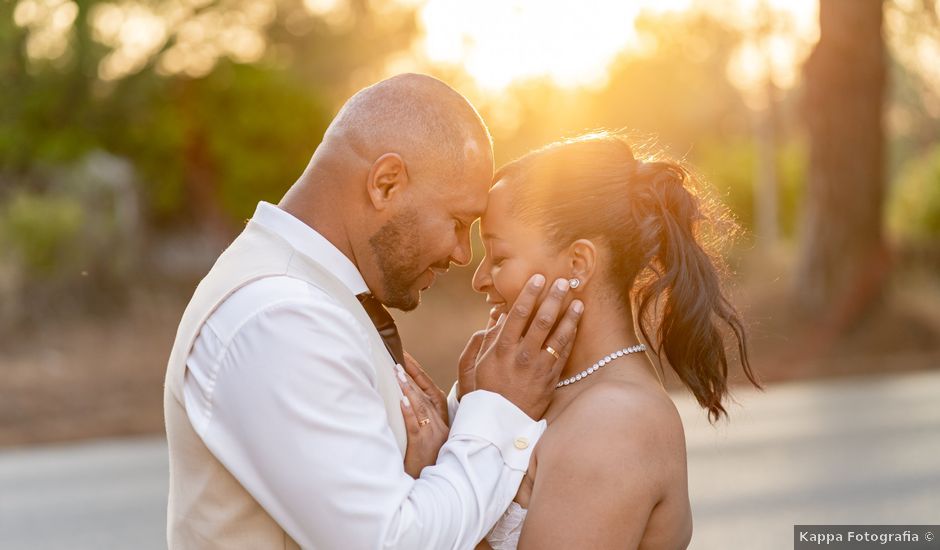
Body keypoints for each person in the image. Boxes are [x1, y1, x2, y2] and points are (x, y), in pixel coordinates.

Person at [163, 73, 583, 549]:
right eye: (457, 222)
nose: (462, 255)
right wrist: (500, 413)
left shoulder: (307, 300)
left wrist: (456, 424)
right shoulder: (279, 318)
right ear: (386, 184)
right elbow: (390, 542)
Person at [450, 132, 762, 549]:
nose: (479, 279)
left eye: (500, 257)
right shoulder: (540, 389)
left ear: (578, 263)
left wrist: (437, 457)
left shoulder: (617, 421)